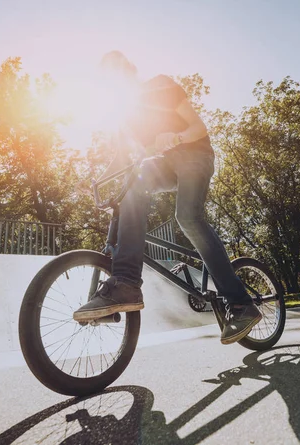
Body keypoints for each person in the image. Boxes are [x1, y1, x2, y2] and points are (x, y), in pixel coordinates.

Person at [73, 51, 261, 344]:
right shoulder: (125, 118)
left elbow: (199, 127)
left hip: (195, 155)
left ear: (129, 71)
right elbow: (121, 158)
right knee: (133, 186)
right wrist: (96, 181)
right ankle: (125, 282)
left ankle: (241, 303)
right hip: (167, 165)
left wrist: (177, 138)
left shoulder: (160, 86)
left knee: (187, 217)